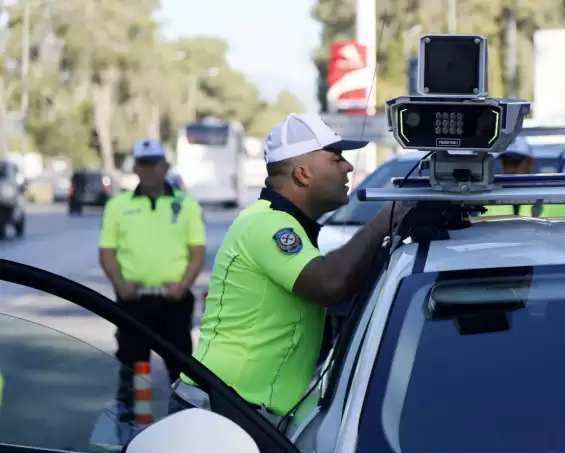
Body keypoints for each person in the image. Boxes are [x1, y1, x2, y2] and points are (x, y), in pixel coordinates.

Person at [171, 112, 407, 426]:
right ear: (303, 174)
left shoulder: (285, 224)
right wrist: (383, 221)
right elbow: (329, 284)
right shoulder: (268, 223)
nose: (348, 166)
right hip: (221, 411)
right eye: (336, 158)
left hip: (242, 411)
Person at [99, 138, 206, 434]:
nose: (149, 170)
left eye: (154, 164)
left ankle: (187, 427)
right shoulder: (119, 205)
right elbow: (107, 253)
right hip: (134, 302)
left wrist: (183, 284)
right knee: (134, 368)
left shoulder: (185, 204)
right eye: (143, 165)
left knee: (180, 366)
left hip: (173, 301)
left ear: (165, 166)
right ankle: (131, 426)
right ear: (135, 168)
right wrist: (120, 284)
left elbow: (197, 252)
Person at [482, 136, 565, 218]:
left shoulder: (555, 198)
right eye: (506, 163)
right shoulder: (489, 197)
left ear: (531, 163)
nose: (510, 169)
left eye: (515, 163)